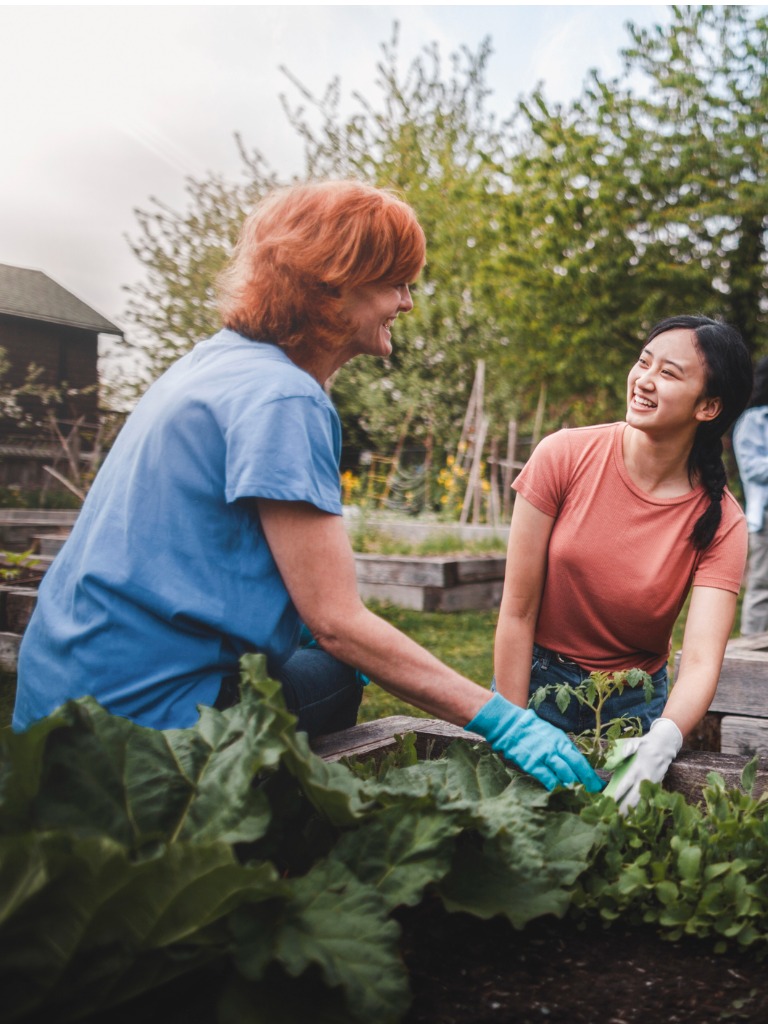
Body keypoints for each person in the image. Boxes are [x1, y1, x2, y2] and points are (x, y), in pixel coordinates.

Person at [12, 180, 601, 795]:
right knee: (341, 672)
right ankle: (252, 829)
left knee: (311, 661)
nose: (406, 303)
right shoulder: (284, 397)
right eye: (395, 283)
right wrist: (506, 722)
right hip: (144, 728)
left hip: (58, 700)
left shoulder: (211, 362)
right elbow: (338, 622)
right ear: (334, 282)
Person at [493, 314, 753, 809]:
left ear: (709, 406)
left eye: (669, 373)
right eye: (643, 362)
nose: (644, 380)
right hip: (533, 683)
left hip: (633, 708)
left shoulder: (723, 523)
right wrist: (512, 722)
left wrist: (664, 740)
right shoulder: (563, 455)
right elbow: (517, 609)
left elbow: (699, 660)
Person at [733, 356, 768, 635]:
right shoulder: (753, 419)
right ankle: (750, 647)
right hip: (766, 517)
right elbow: (753, 467)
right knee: (762, 585)